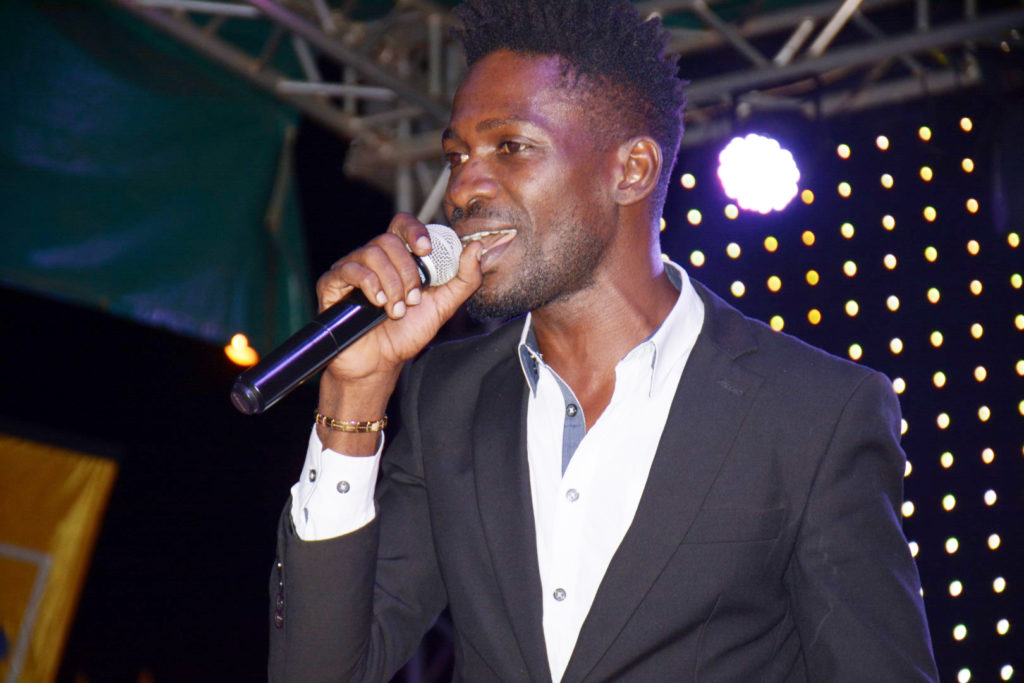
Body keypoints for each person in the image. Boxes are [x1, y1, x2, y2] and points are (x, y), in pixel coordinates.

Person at [269, 1, 939, 680]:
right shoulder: (448, 398)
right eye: (456, 155)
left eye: (511, 147)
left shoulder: (812, 413)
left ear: (632, 170)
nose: (463, 186)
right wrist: (355, 390)